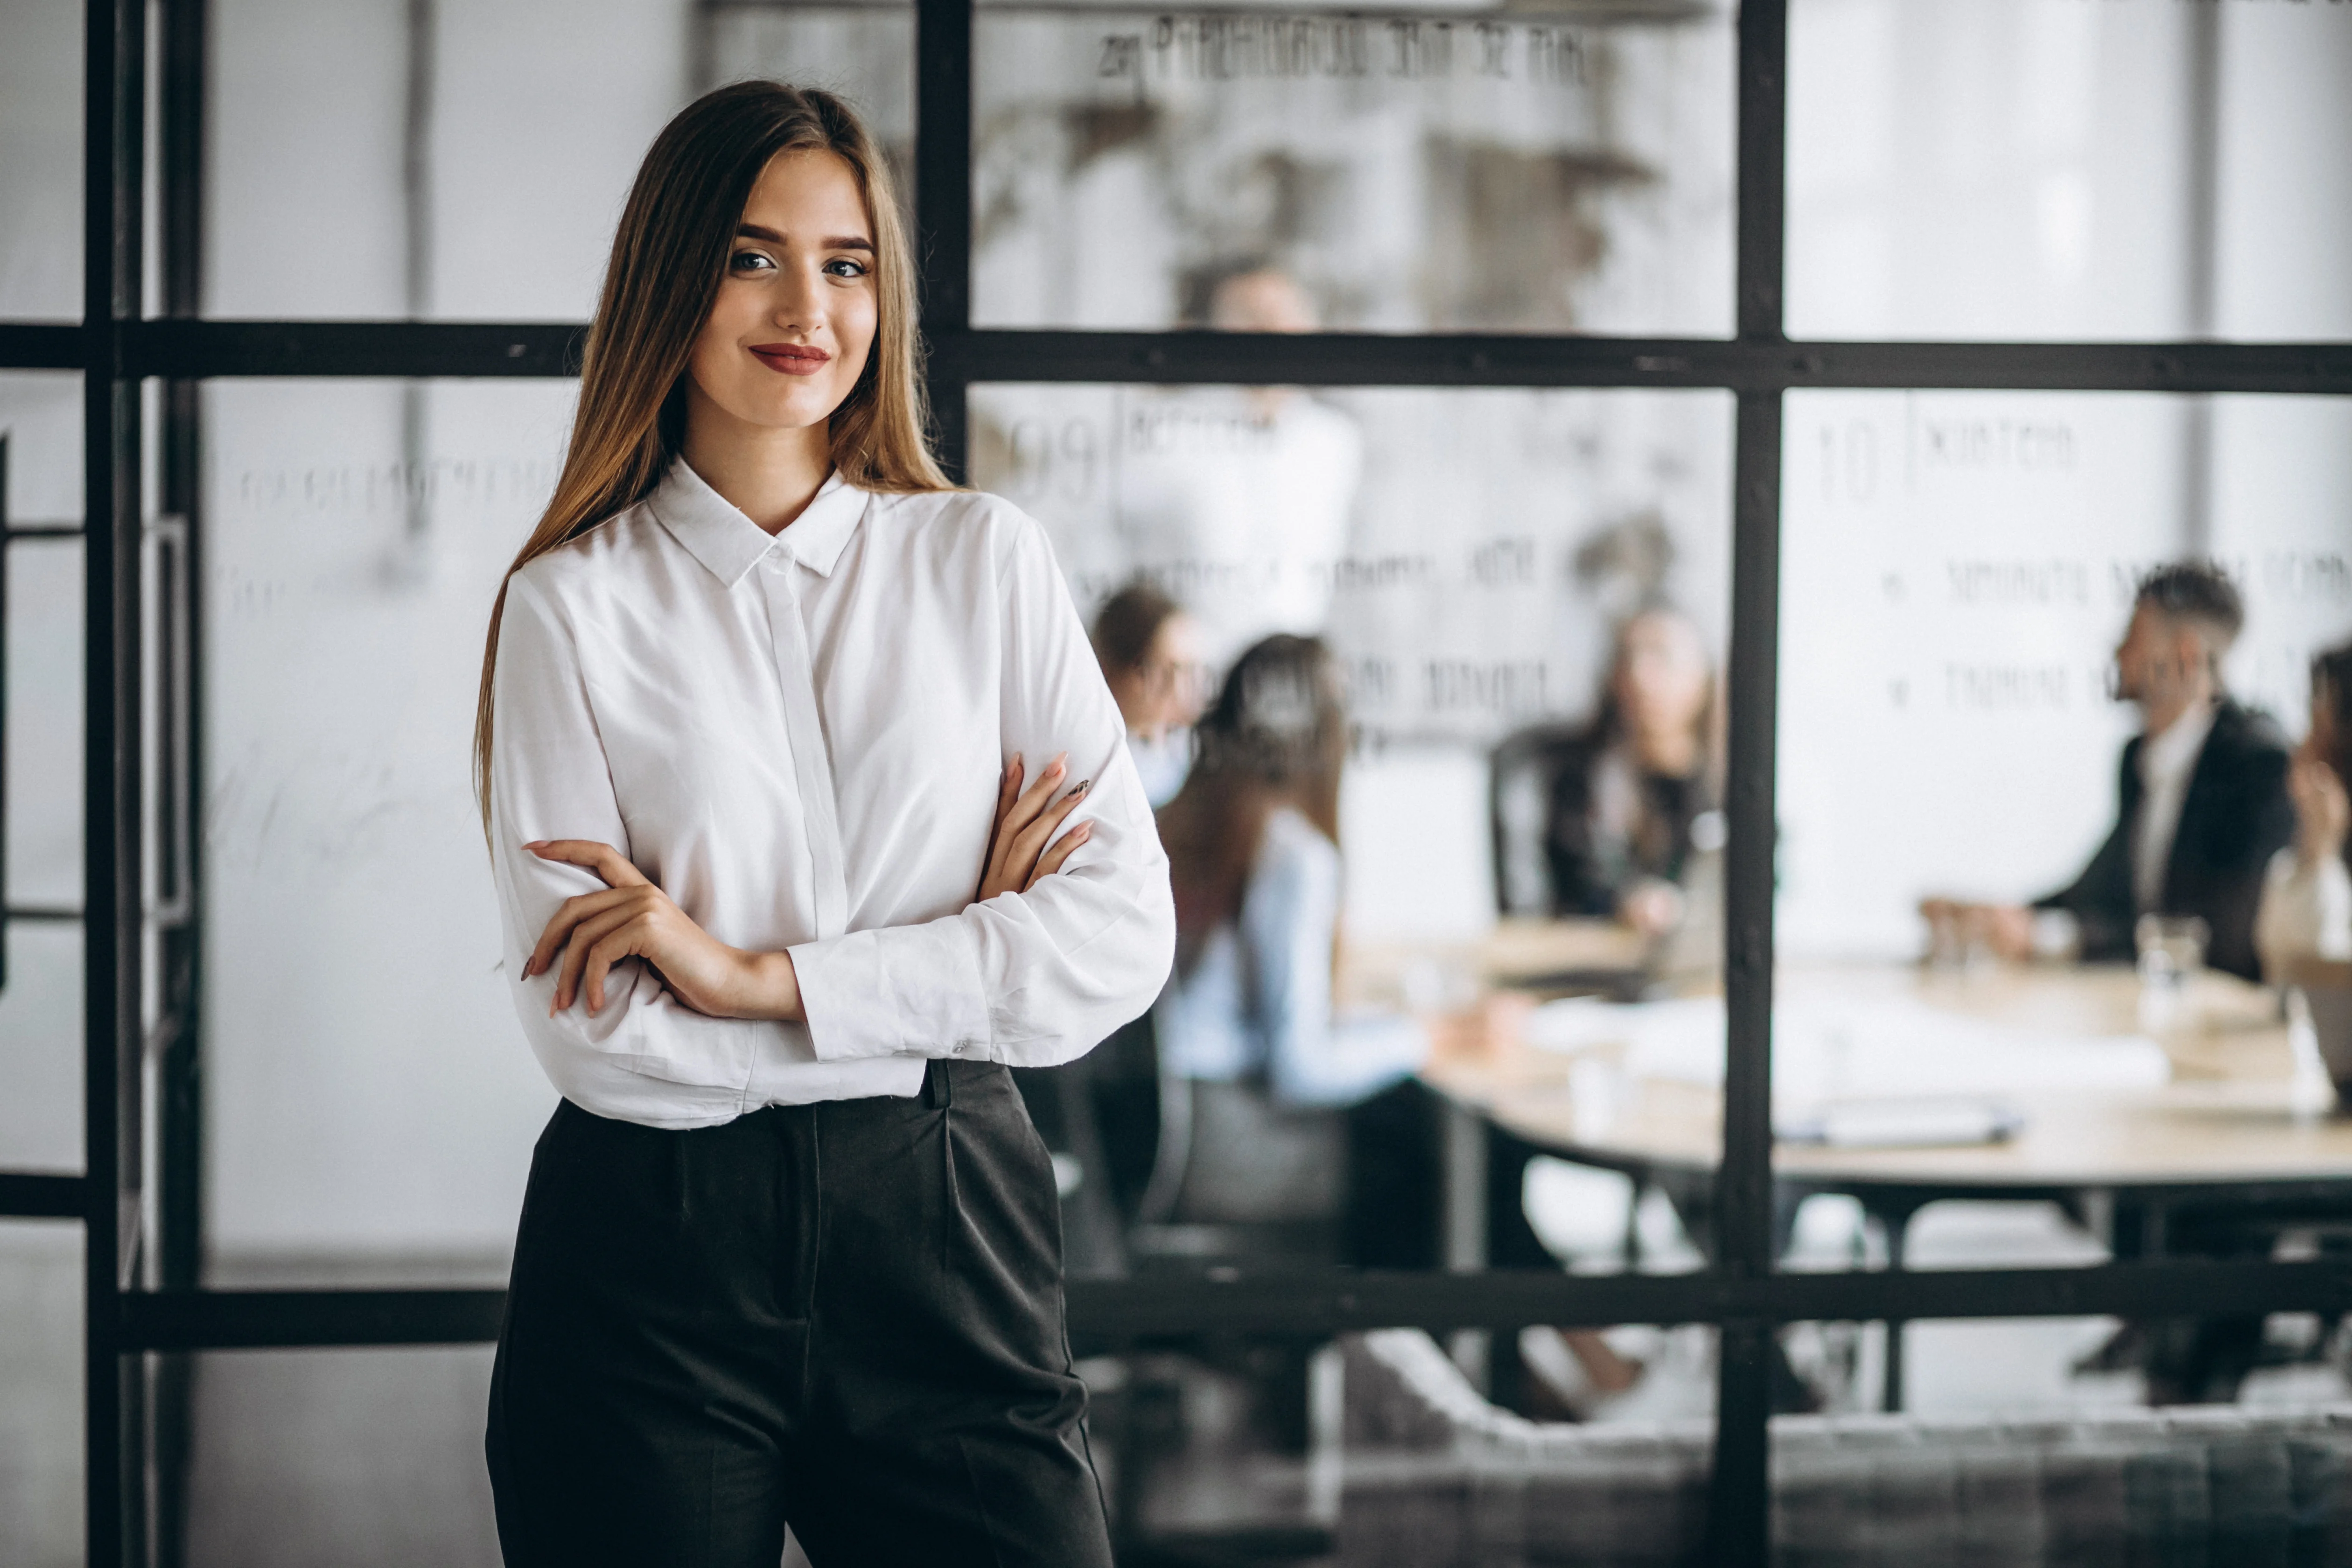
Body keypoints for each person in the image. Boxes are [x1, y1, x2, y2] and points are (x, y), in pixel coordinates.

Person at [473, 83, 1172, 1567]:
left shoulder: (983, 562)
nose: (808, 304)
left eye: (847, 261)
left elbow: (1116, 939)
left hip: (949, 1226)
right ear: (672, 277)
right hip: (649, 1262)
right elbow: (597, 1037)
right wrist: (948, 968)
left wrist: (748, 978)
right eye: (751, 254)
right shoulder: (569, 607)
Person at [1932, 562, 2295, 982]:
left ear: (2185, 656)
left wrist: (2052, 939)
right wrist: (2002, 916)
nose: (2118, 655)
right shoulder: (2138, 760)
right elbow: (2101, 892)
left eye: (2133, 639)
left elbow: (2210, 937)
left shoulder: (2257, 768)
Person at [1494, 604, 1721, 938]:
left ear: (1703, 678)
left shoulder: (1720, 784)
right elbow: (1563, 892)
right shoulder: (1573, 777)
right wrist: (1623, 905)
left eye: (1663, 657)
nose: (1641, 676)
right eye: (1629, 659)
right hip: (1588, 967)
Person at [2257, 641, 2352, 979]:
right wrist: (2317, 852)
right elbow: (2286, 977)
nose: (2304, 745)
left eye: (2322, 727)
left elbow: (2325, 979)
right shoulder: (2302, 851)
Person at [1091, 580, 1209, 808]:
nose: (1178, 690)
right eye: (1159, 672)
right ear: (1109, 670)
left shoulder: (1196, 761)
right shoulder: (1089, 771)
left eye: (1189, 671)